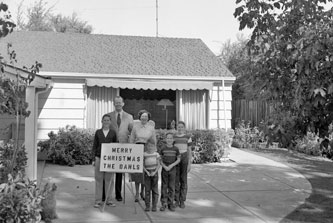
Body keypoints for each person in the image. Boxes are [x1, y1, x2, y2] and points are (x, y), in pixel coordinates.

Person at [107, 96, 133, 202]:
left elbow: (132, 132)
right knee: (109, 171)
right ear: (114, 104)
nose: (118, 104)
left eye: (119, 103)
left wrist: (131, 146)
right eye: (116, 103)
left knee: (119, 172)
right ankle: (107, 194)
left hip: (123, 147)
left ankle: (118, 194)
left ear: (123, 104)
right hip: (111, 147)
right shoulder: (108, 116)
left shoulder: (129, 117)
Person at [129, 110, 157, 202]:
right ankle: (137, 193)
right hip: (137, 149)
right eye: (142, 116)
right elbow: (131, 139)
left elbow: (154, 141)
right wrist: (131, 151)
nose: (144, 118)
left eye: (146, 116)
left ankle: (143, 192)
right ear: (140, 117)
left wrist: (154, 152)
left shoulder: (151, 128)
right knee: (137, 172)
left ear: (148, 118)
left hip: (147, 149)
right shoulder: (135, 127)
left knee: (146, 172)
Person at [92, 114, 118, 208]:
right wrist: (93, 159)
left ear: (110, 122)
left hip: (110, 160)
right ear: (102, 121)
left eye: (108, 120)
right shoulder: (98, 132)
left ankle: (109, 200)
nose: (106, 122)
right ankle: (98, 201)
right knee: (99, 180)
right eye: (104, 120)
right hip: (99, 158)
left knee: (109, 180)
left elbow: (116, 146)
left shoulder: (113, 133)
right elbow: (94, 146)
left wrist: (116, 160)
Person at [159, 132, 180, 212]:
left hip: (172, 169)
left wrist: (171, 166)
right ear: (165, 139)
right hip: (164, 169)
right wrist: (164, 166)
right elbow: (160, 160)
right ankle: (163, 203)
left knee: (171, 187)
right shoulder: (163, 148)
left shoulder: (175, 149)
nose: (169, 140)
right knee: (164, 186)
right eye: (168, 138)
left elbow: (178, 159)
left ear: (173, 139)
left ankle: (170, 203)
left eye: (171, 138)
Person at [174, 121, 192, 209]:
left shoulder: (187, 137)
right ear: (176, 128)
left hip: (184, 158)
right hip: (176, 159)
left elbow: (189, 151)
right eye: (179, 127)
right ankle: (176, 200)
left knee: (183, 180)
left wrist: (189, 163)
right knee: (176, 180)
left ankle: (182, 200)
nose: (180, 128)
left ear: (184, 128)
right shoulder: (174, 137)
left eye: (182, 127)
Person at [143, 143, 160, 212]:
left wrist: (155, 172)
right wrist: (146, 172)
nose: (150, 147)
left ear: (154, 147)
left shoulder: (156, 154)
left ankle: (154, 206)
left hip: (154, 173)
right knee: (147, 190)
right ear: (146, 147)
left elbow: (159, 164)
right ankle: (147, 205)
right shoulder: (144, 154)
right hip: (147, 173)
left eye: (152, 146)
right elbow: (142, 165)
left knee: (155, 190)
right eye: (149, 146)